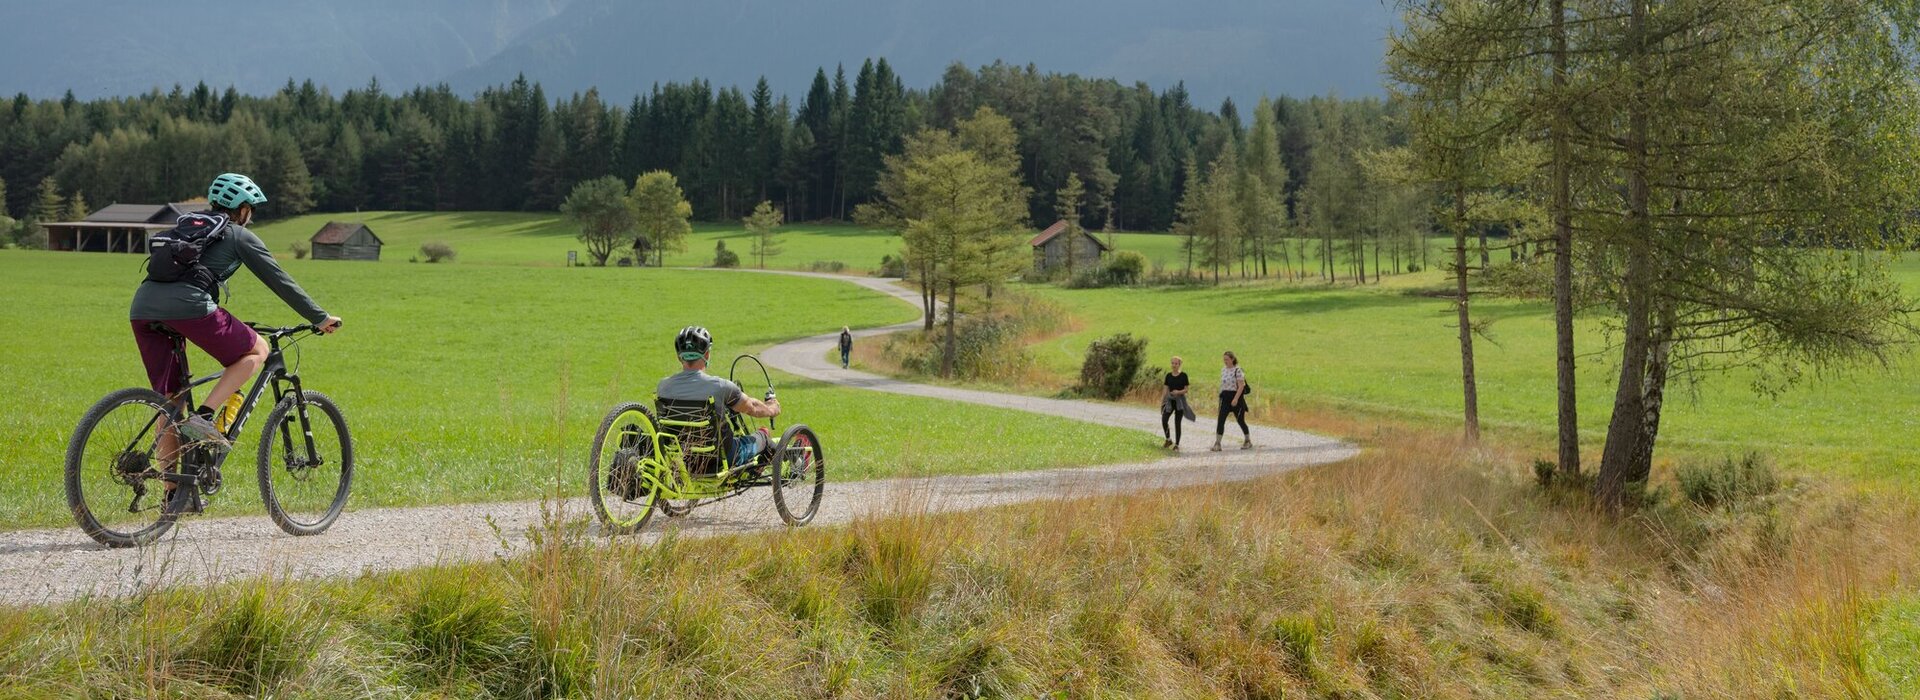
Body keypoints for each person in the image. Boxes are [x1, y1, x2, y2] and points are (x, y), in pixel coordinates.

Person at [131, 173, 342, 511]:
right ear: (242, 209)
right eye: (250, 209)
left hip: (142, 308)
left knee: (170, 400)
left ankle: (174, 495)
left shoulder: (187, 227)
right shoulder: (238, 235)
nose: (251, 216)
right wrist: (320, 318)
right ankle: (204, 417)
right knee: (258, 349)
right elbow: (279, 280)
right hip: (188, 306)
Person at [657, 326, 781, 466]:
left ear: (679, 357)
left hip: (684, 461)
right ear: (707, 354)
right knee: (763, 437)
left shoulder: (663, 387)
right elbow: (752, 407)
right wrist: (772, 409)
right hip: (721, 459)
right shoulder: (720, 386)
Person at [1213, 350, 1252, 451]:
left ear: (1232, 359)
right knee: (1221, 420)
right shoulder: (1223, 370)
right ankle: (1217, 443)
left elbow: (1241, 386)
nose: (1225, 361)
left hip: (1236, 397)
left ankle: (1247, 440)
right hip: (1225, 398)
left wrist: (1235, 399)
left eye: (1227, 359)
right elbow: (1223, 384)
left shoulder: (1238, 370)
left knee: (1240, 420)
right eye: (1224, 359)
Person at [1159, 356, 1194, 449]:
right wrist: (1162, 402)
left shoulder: (1183, 376)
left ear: (1179, 365)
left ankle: (1177, 445)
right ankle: (1168, 439)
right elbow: (1165, 390)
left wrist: (1178, 392)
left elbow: (1186, 389)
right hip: (1170, 401)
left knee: (1177, 423)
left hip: (1180, 402)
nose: (1174, 365)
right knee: (1164, 419)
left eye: (1176, 363)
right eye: (1172, 363)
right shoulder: (1168, 376)